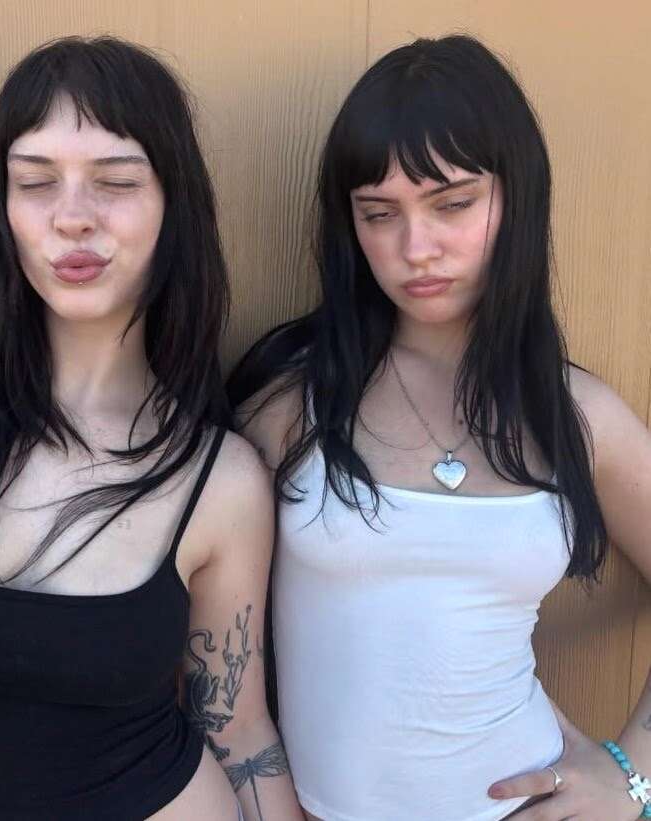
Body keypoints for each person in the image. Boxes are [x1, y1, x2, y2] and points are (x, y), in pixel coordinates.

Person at [0, 36, 304, 821]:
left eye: (116, 182)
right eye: (36, 182)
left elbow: (236, 730)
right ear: (2, 210)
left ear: (171, 207)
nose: (73, 217)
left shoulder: (219, 478)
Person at [229, 35, 651, 821]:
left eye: (452, 203)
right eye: (377, 213)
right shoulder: (289, 401)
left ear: (515, 199)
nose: (415, 248)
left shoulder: (574, 415)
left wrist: (632, 778)